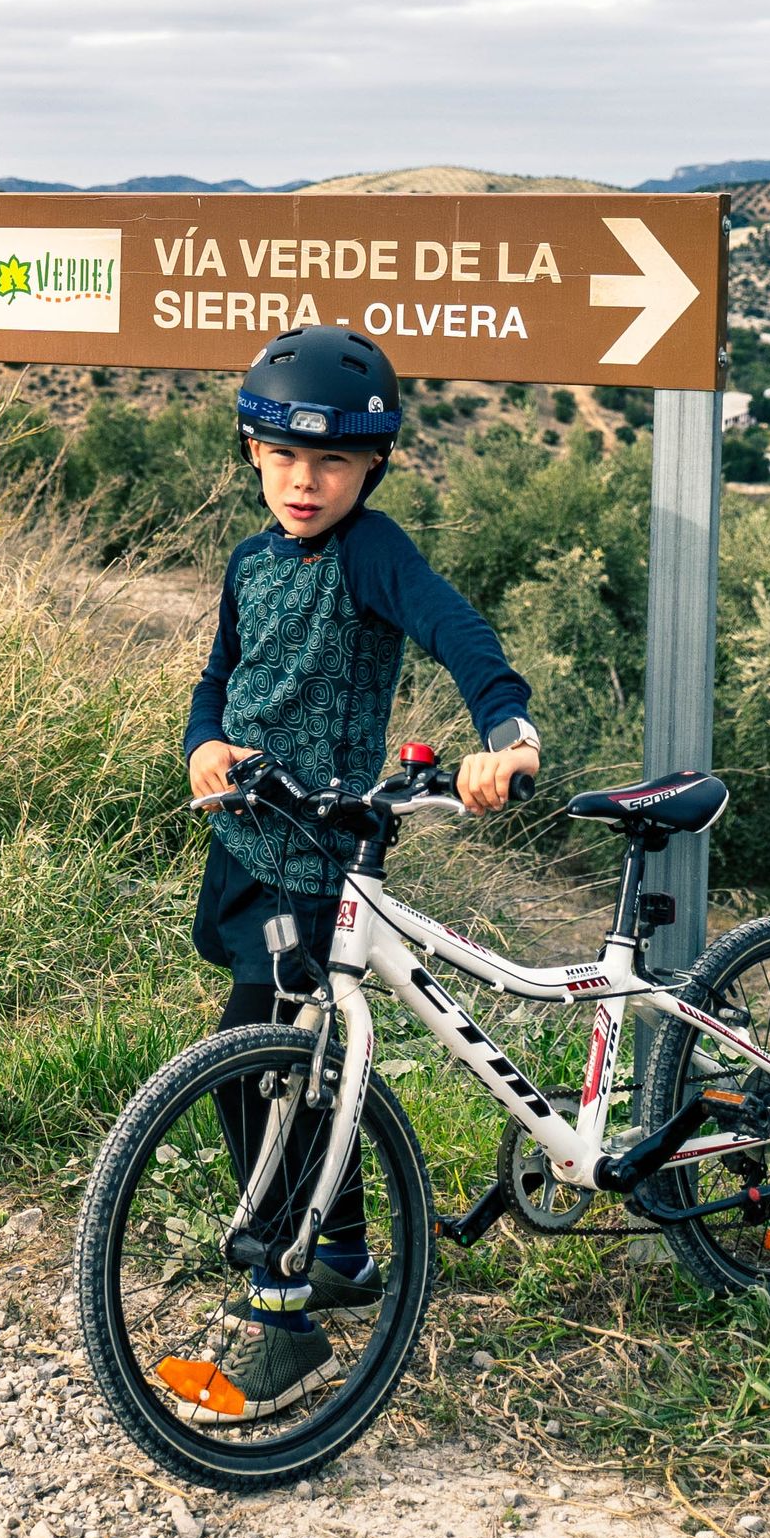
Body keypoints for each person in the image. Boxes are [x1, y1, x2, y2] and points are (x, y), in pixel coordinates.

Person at [176, 325, 538, 1422]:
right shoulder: (250, 563)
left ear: (370, 467)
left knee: (262, 1072)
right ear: (250, 450)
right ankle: (337, 1249)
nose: (304, 479)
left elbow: (455, 630)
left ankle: (287, 1306)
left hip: (317, 859)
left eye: (331, 462)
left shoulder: (371, 553)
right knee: (260, 1071)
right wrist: (201, 743)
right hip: (244, 839)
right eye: (283, 454)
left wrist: (506, 730)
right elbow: (217, 677)